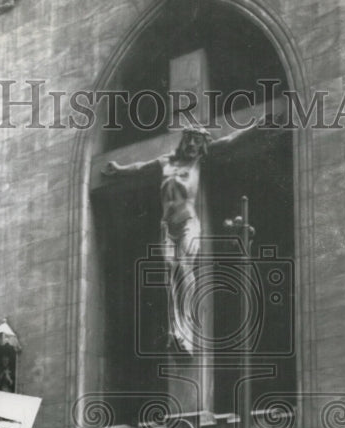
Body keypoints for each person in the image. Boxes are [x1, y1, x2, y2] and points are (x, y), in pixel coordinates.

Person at [102, 122, 260, 353]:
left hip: (187, 223)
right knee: (171, 271)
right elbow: (140, 168)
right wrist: (118, 169)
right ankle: (176, 328)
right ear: (184, 141)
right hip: (167, 226)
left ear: (203, 145)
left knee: (184, 267)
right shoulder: (166, 162)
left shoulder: (199, 162)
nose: (194, 145)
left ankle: (186, 330)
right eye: (190, 140)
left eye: (198, 141)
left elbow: (230, 140)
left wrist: (256, 127)